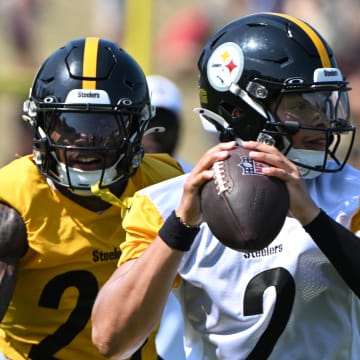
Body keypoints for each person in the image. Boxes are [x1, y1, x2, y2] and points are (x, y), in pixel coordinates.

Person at [91, 13, 360, 359]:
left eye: (324, 101)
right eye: (300, 104)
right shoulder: (167, 204)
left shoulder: (350, 194)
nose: (323, 118)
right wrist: (179, 228)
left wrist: (313, 218)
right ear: (239, 110)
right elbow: (111, 339)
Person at [0, 37, 184, 359]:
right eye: (68, 124)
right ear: (40, 126)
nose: (85, 139)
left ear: (137, 128)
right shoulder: (14, 203)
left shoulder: (164, 187)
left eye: (104, 126)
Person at [143, 74, 193, 172]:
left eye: (165, 123)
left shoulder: (193, 180)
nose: (156, 131)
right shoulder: (112, 180)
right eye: (148, 121)